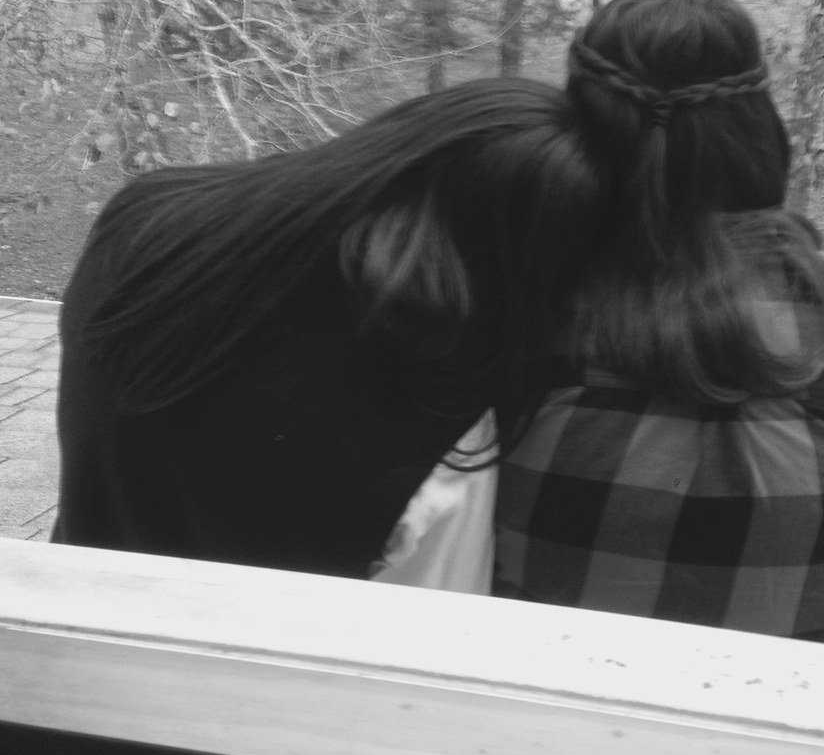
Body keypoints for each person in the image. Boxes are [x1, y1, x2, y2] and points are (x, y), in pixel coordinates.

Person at [492, 0, 824, 650]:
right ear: (756, 124)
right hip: (799, 698)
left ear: (574, 129)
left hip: (540, 693)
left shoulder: (524, 295)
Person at [51, 79, 603, 579]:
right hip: (248, 655)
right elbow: (436, 619)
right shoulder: (435, 416)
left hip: (70, 606)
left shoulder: (144, 218)